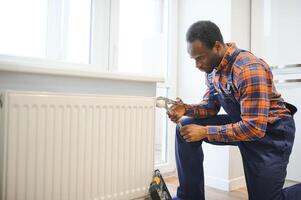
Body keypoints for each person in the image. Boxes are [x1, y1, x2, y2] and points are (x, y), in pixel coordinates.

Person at [168, 21, 301, 200]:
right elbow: (211, 107)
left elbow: (254, 128)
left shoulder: (248, 69)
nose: (197, 65)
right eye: (194, 59)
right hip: (242, 124)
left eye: (200, 58)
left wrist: (206, 131)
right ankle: (188, 197)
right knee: (186, 126)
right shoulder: (212, 70)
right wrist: (186, 109)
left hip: (270, 133)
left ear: (216, 46)